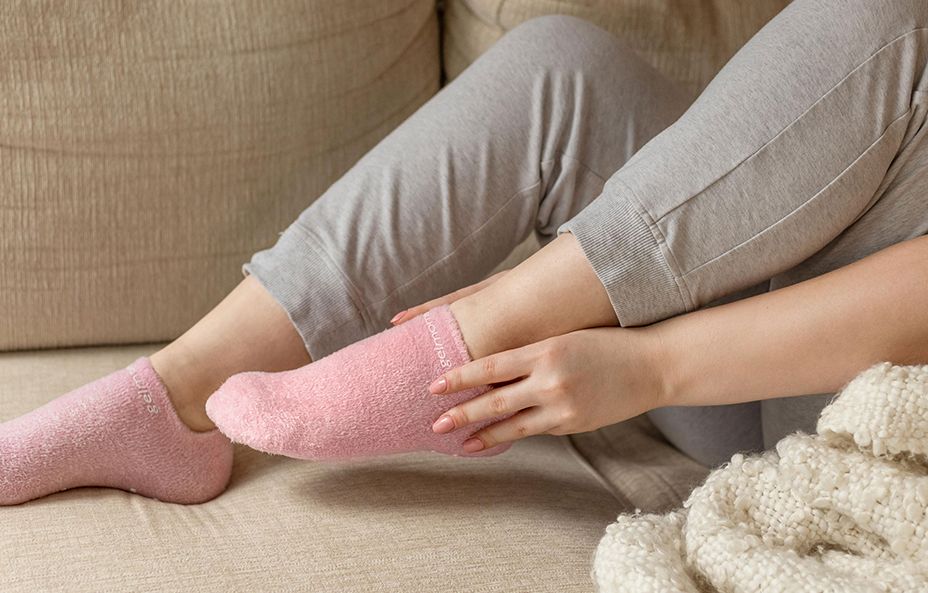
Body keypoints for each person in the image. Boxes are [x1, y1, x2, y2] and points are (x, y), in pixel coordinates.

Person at [2, 0, 927, 506]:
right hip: (787, 338)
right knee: (568, 69)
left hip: (873, 409)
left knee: (894, 20)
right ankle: (171, 399)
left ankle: (473, 333)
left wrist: (648, 365)